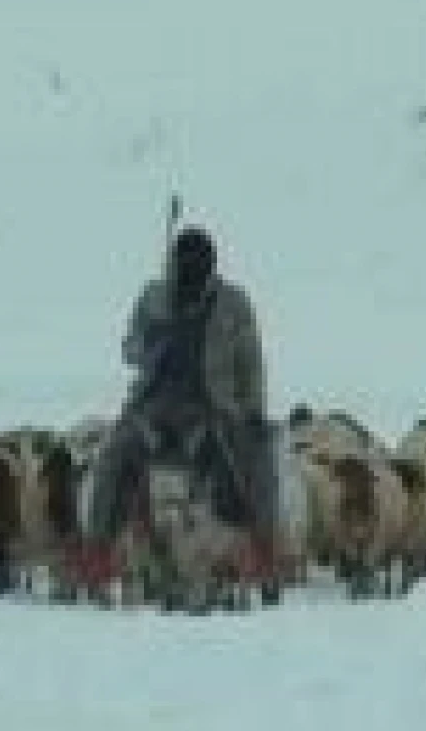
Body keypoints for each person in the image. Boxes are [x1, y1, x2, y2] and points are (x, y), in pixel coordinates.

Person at [78, 225, 279, 590]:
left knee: (257, 458)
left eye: (199, 264)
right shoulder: (153, 296)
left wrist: (253, 410)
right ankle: (98, 548)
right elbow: (129, 349)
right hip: (153, 404)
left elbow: (251, 361)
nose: (191, 271)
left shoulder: (233, 302)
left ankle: (265, 546)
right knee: (112, 457)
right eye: (184, 263)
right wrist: (150, 339)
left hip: (214, 406)